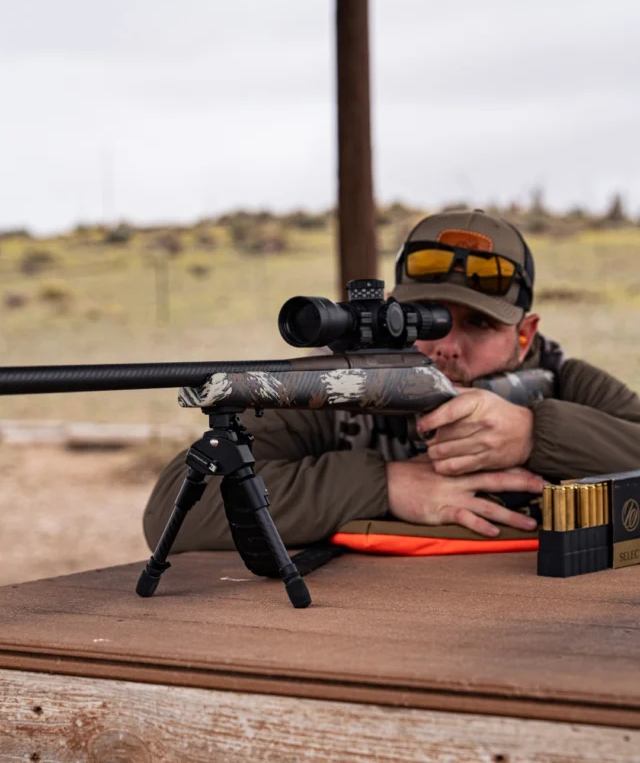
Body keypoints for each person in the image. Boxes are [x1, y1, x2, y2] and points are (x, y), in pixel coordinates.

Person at [142, 209, 640, 552]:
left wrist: (536, 433)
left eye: (480, 324)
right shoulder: (337, 389)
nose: (447, 344)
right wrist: (386, 485)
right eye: (427, 319)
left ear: (525, 335)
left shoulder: (565, 381)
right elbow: (174, 509)